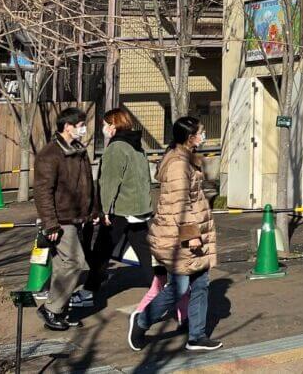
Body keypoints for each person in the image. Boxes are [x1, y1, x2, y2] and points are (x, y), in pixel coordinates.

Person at [128, 116, 221, 353]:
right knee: (178, 288)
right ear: (189, 137)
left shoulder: (186, 159)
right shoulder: (179, 164)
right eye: (200, 132)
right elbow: (179, 205)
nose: (203, 136)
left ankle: (197, 336)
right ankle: (141, 322)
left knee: (201, 284)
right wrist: (192, 235)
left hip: (190, 233)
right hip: (180, 237)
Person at [34, 107, 99, 332]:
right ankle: (52, 308)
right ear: (67, 127)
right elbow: (43, 191)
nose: (83, 128)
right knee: (75, 262)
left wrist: (93, 211)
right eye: (80, 125)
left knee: (64, 264)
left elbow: (88, 184)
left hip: (77, 217)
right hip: (61, 218)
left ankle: (58, 310)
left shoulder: (79, 150)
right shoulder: (50, 154)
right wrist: (50, 223)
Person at [85, 109, 159, 305]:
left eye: (104, 124)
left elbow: (109, 181)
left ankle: (89, 290)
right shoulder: (136, 146)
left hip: (120, 209)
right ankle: (159, 287)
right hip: (138, 208)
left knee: (102, 250)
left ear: (113, 125)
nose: (103, 128)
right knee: (144, 250)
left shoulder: (116, 147)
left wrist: (105, 209)